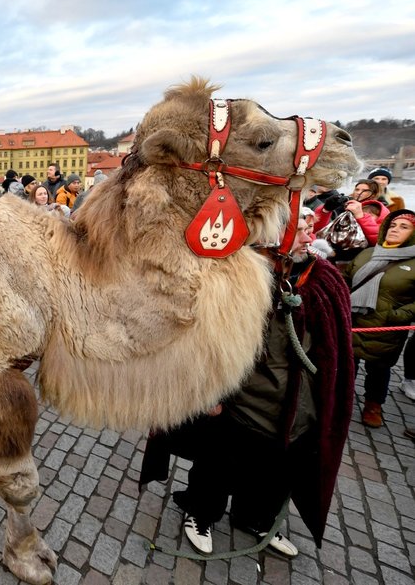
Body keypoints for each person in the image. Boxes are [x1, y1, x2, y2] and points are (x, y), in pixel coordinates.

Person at [141, 211, 354, 557]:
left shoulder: (323, 279)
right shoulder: (236, 278)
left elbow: (335, 346)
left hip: (295, 409)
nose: (308, 236)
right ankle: (201, 513)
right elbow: (208, 342)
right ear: (273, 238)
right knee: (216, 467)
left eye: (309, 229)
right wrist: (211, 391)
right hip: (242, 405)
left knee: (273, 476)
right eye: (298, 230)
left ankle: (255, 519)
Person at [346, 209, 415, 427]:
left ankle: (373, 405)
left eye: (404, 227)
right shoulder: (368, 253)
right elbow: (347, 277)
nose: (395, 230)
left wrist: (402, 315)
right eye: (393, 225)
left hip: (386, 327)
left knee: (379, 369)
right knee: (348, 364)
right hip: (353, 320)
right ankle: (342, 401)